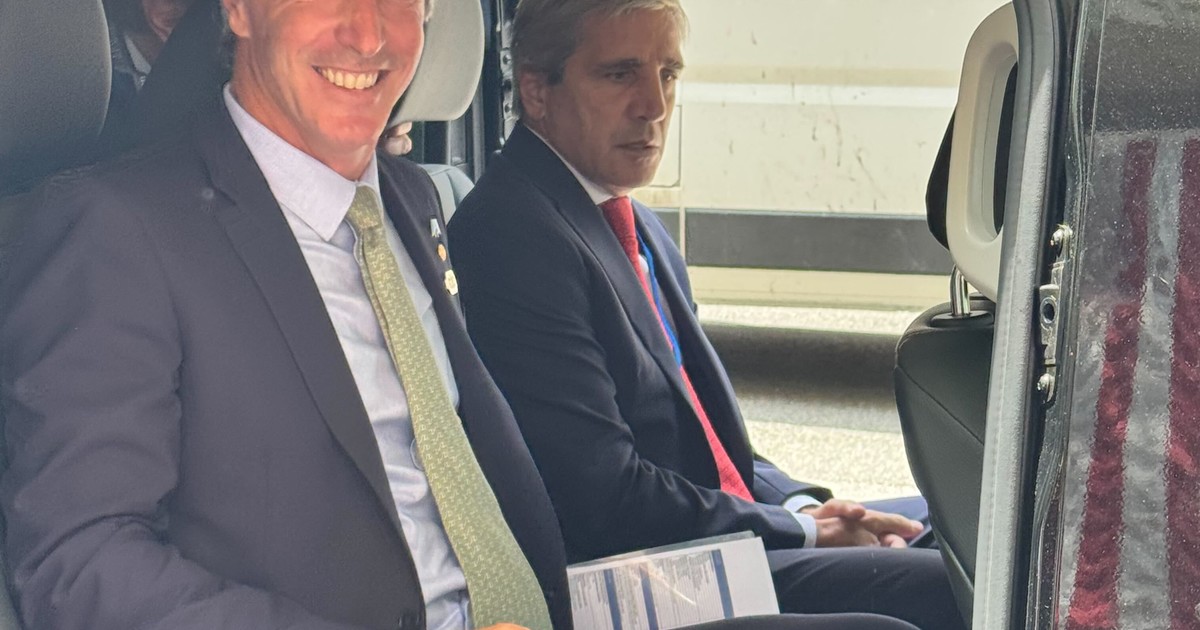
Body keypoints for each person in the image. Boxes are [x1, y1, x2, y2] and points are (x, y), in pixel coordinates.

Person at [0, 0, 569, 627]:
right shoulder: (115, 228)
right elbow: (80, 561)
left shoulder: (412, 198)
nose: (368, 35)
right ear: (239, 10)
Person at [447, 1, 966, 628]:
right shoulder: (514, 233)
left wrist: (803, 507)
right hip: (645, 575)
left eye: (667, 74)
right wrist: (801, 531)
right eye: (620, 74)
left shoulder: (633, 224)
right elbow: (604, 498)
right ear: (536, 91)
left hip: (711, 536)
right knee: (953, 585)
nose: (655, 105)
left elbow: (709, 441)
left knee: (964, 525)